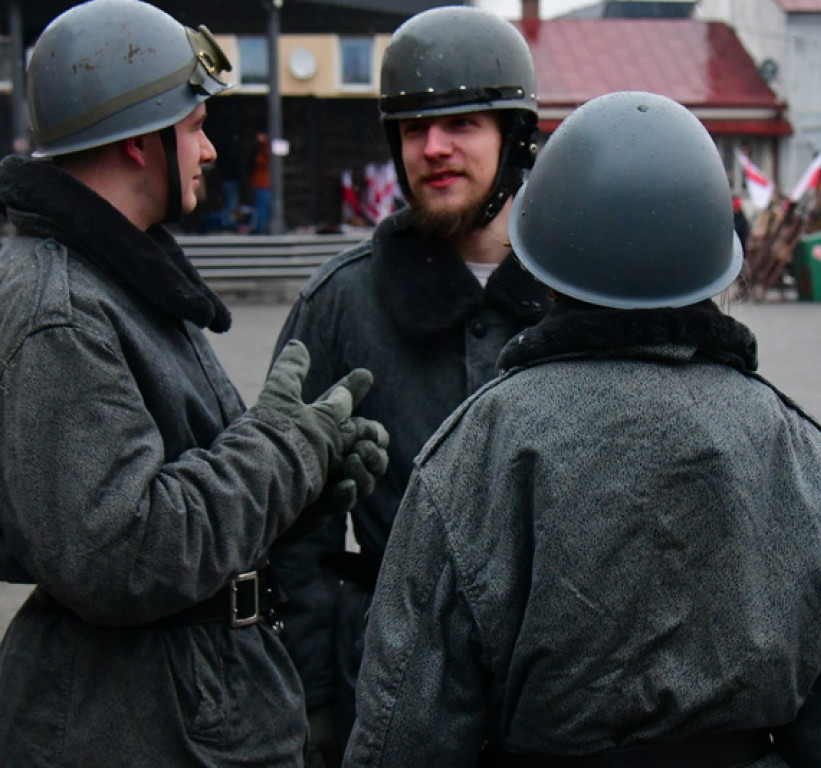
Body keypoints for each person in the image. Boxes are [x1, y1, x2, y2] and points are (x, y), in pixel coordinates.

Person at [345, 91, 821, 767]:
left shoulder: (473, 452)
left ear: (541, 259)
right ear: (715, 258)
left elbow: (405, 735)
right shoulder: (814, 461)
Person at [0, 1, 388, 764]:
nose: (209, 150)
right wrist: (282, 451)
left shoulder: (114, 278)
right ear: (140, 139)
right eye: (196, 127)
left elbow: (173, 494)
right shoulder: (64, 313)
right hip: (141, 725)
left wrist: (298, 490)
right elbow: (120, 553)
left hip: (177, 707)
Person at [269, 6, 551, 764]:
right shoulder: (340, 305)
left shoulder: (586, 296)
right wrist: (311, 709)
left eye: (462, 124)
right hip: (391, 704)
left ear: (514, 138)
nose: (433, 148)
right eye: (413, 127)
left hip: (561, 703)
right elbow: (291, 535)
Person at [249, 131, 272, 233]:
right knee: (261, 207)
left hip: (265, 183)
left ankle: (262, 228)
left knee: (264, 207)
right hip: (261, 183)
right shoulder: (260, 151)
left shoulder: (266, 151)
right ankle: (260, 228)